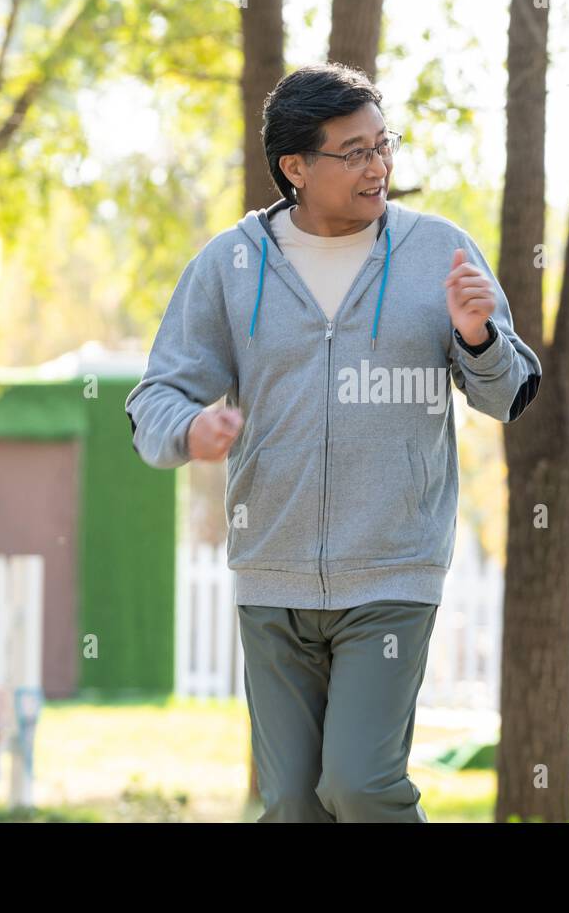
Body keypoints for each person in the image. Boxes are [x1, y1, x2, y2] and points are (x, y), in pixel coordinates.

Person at [125, 63, 541, 821]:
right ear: (295, 166)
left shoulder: (438, 251)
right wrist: (190, 427)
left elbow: (508, 393)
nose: (379, 166)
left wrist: (478, 337)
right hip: (271, 573)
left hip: (391, 572)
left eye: (384, 145)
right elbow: (155, 397)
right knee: (289, 802)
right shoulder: (231, 264)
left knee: (358, 783)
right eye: (354, 151)